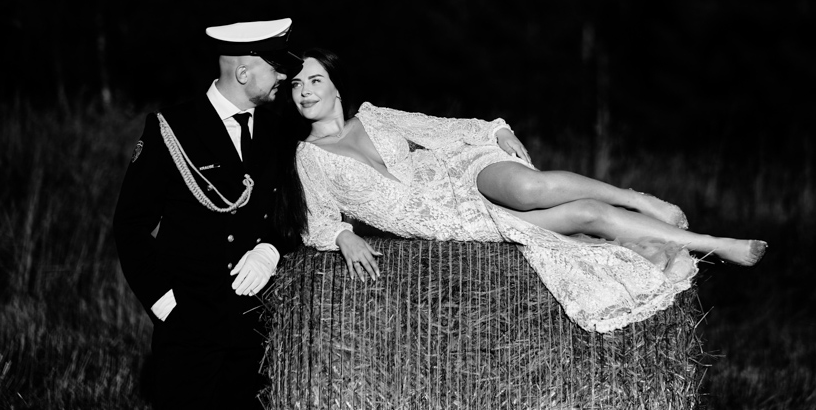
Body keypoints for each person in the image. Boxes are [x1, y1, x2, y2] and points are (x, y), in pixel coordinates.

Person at [289, 48, 767, 333]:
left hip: (459, 169)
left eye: (315, 79)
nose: (306, 90)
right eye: (296, 84)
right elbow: (318, 219)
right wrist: (343, 236)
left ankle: (639, 199)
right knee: (583, 215)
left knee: (530, 186)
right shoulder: (309, 156)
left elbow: (439, 128)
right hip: (450, 218)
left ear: (336, 86)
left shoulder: (373, 116)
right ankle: (712, 244)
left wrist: (495, 130)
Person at [113, 19, 307, 409]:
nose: (284, 77)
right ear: (243, 71)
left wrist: (270, 248)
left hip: (256, 330)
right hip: (189, 331)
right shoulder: (172, 129)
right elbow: (130, 226)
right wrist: (166, 305)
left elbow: (290, 213)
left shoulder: (279, 133)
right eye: (275, 67)